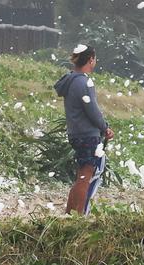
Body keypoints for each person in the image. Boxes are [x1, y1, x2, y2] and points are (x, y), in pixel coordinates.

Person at [54, 45, 114, 215]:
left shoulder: (71, 80)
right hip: (88, 135)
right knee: (85, 177)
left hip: (75, 133)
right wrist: (105, 127)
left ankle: (69, 213)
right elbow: (92, 110)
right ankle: (79, 217)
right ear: (90, 60)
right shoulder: (84, 81)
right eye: (94, 59)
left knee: (81, 176)